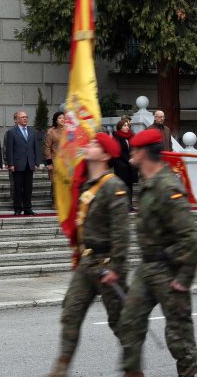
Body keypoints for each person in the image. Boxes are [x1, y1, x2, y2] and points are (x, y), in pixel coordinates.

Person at [46, 133, 130, 377]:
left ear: (105, 155)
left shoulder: (114, 186)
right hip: (88, 262)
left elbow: (122, 233)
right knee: (70, 313)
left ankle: (133, 369)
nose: (89, 146)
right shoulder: (87, 185)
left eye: (95, 144)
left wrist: (117, 268)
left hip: (108, 264)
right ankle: (60, 369)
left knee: (119, 322)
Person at [120, 129, 197, 377]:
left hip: (170, 270)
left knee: (178, 335)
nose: (130, 153)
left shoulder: (167, 186)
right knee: (129, 323)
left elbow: (190, 238)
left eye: (134, 149)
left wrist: (183, 279)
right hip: (148, 269)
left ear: (143, 153)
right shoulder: (148, 184)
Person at [6, 111, 41, 216]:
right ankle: (17, 208)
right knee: (17, 188)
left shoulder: (32, 131)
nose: (25, 119)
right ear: (17, 119)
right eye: (22, 117)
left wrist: (37, 162)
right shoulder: (12, 132)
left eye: (26, 117)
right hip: (17, 165)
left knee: (28, 188)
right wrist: (10, 164)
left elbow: (36, 148)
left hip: (29, 164)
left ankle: (28, 208)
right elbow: (9, 150)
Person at [113, 116, 138, 211]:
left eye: (128, 125)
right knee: (122, 186)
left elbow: (135, 148)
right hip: (121, 166)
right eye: (125, 125)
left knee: (130, 186)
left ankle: (130, 205)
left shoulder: (131, 136)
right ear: (120, 127)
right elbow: (118, 151)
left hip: (130, 166)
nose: (127, 127)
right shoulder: (116, 137)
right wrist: (128, 159)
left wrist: (133, 158)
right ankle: (122, 206)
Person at [44, 111, 65, 206]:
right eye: (60, 118)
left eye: (64, 118)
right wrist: (49, 163)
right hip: (55, 160)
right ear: (56, 120)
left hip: (67, 161)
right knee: (56, 182)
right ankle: (55, 201)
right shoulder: (51, 132)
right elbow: (47, 147)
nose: (62, 119)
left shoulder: (69, 130)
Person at [3, 112, 18, 204]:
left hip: (25, 163)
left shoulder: (28, 131)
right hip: (13, 162)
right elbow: (6, 148)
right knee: (13, 183)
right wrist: (7, 162)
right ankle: (15, 201)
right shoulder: (10, 132)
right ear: (15, 120)